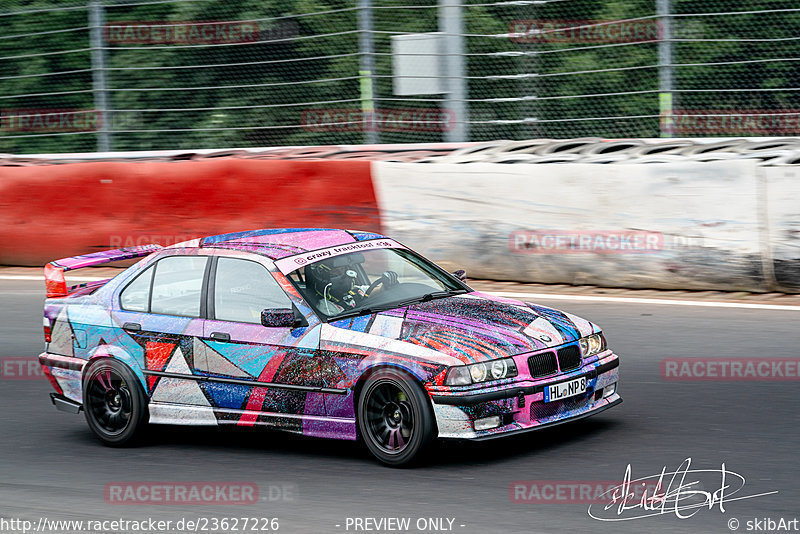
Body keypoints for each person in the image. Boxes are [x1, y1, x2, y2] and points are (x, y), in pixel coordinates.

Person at [305, 256, 398, 315]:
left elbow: (376, 290)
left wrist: (388, 283)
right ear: (324, 276)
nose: (342, 274)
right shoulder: (326, 307)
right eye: (336, 271)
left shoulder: (357, 290)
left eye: (343, 269)